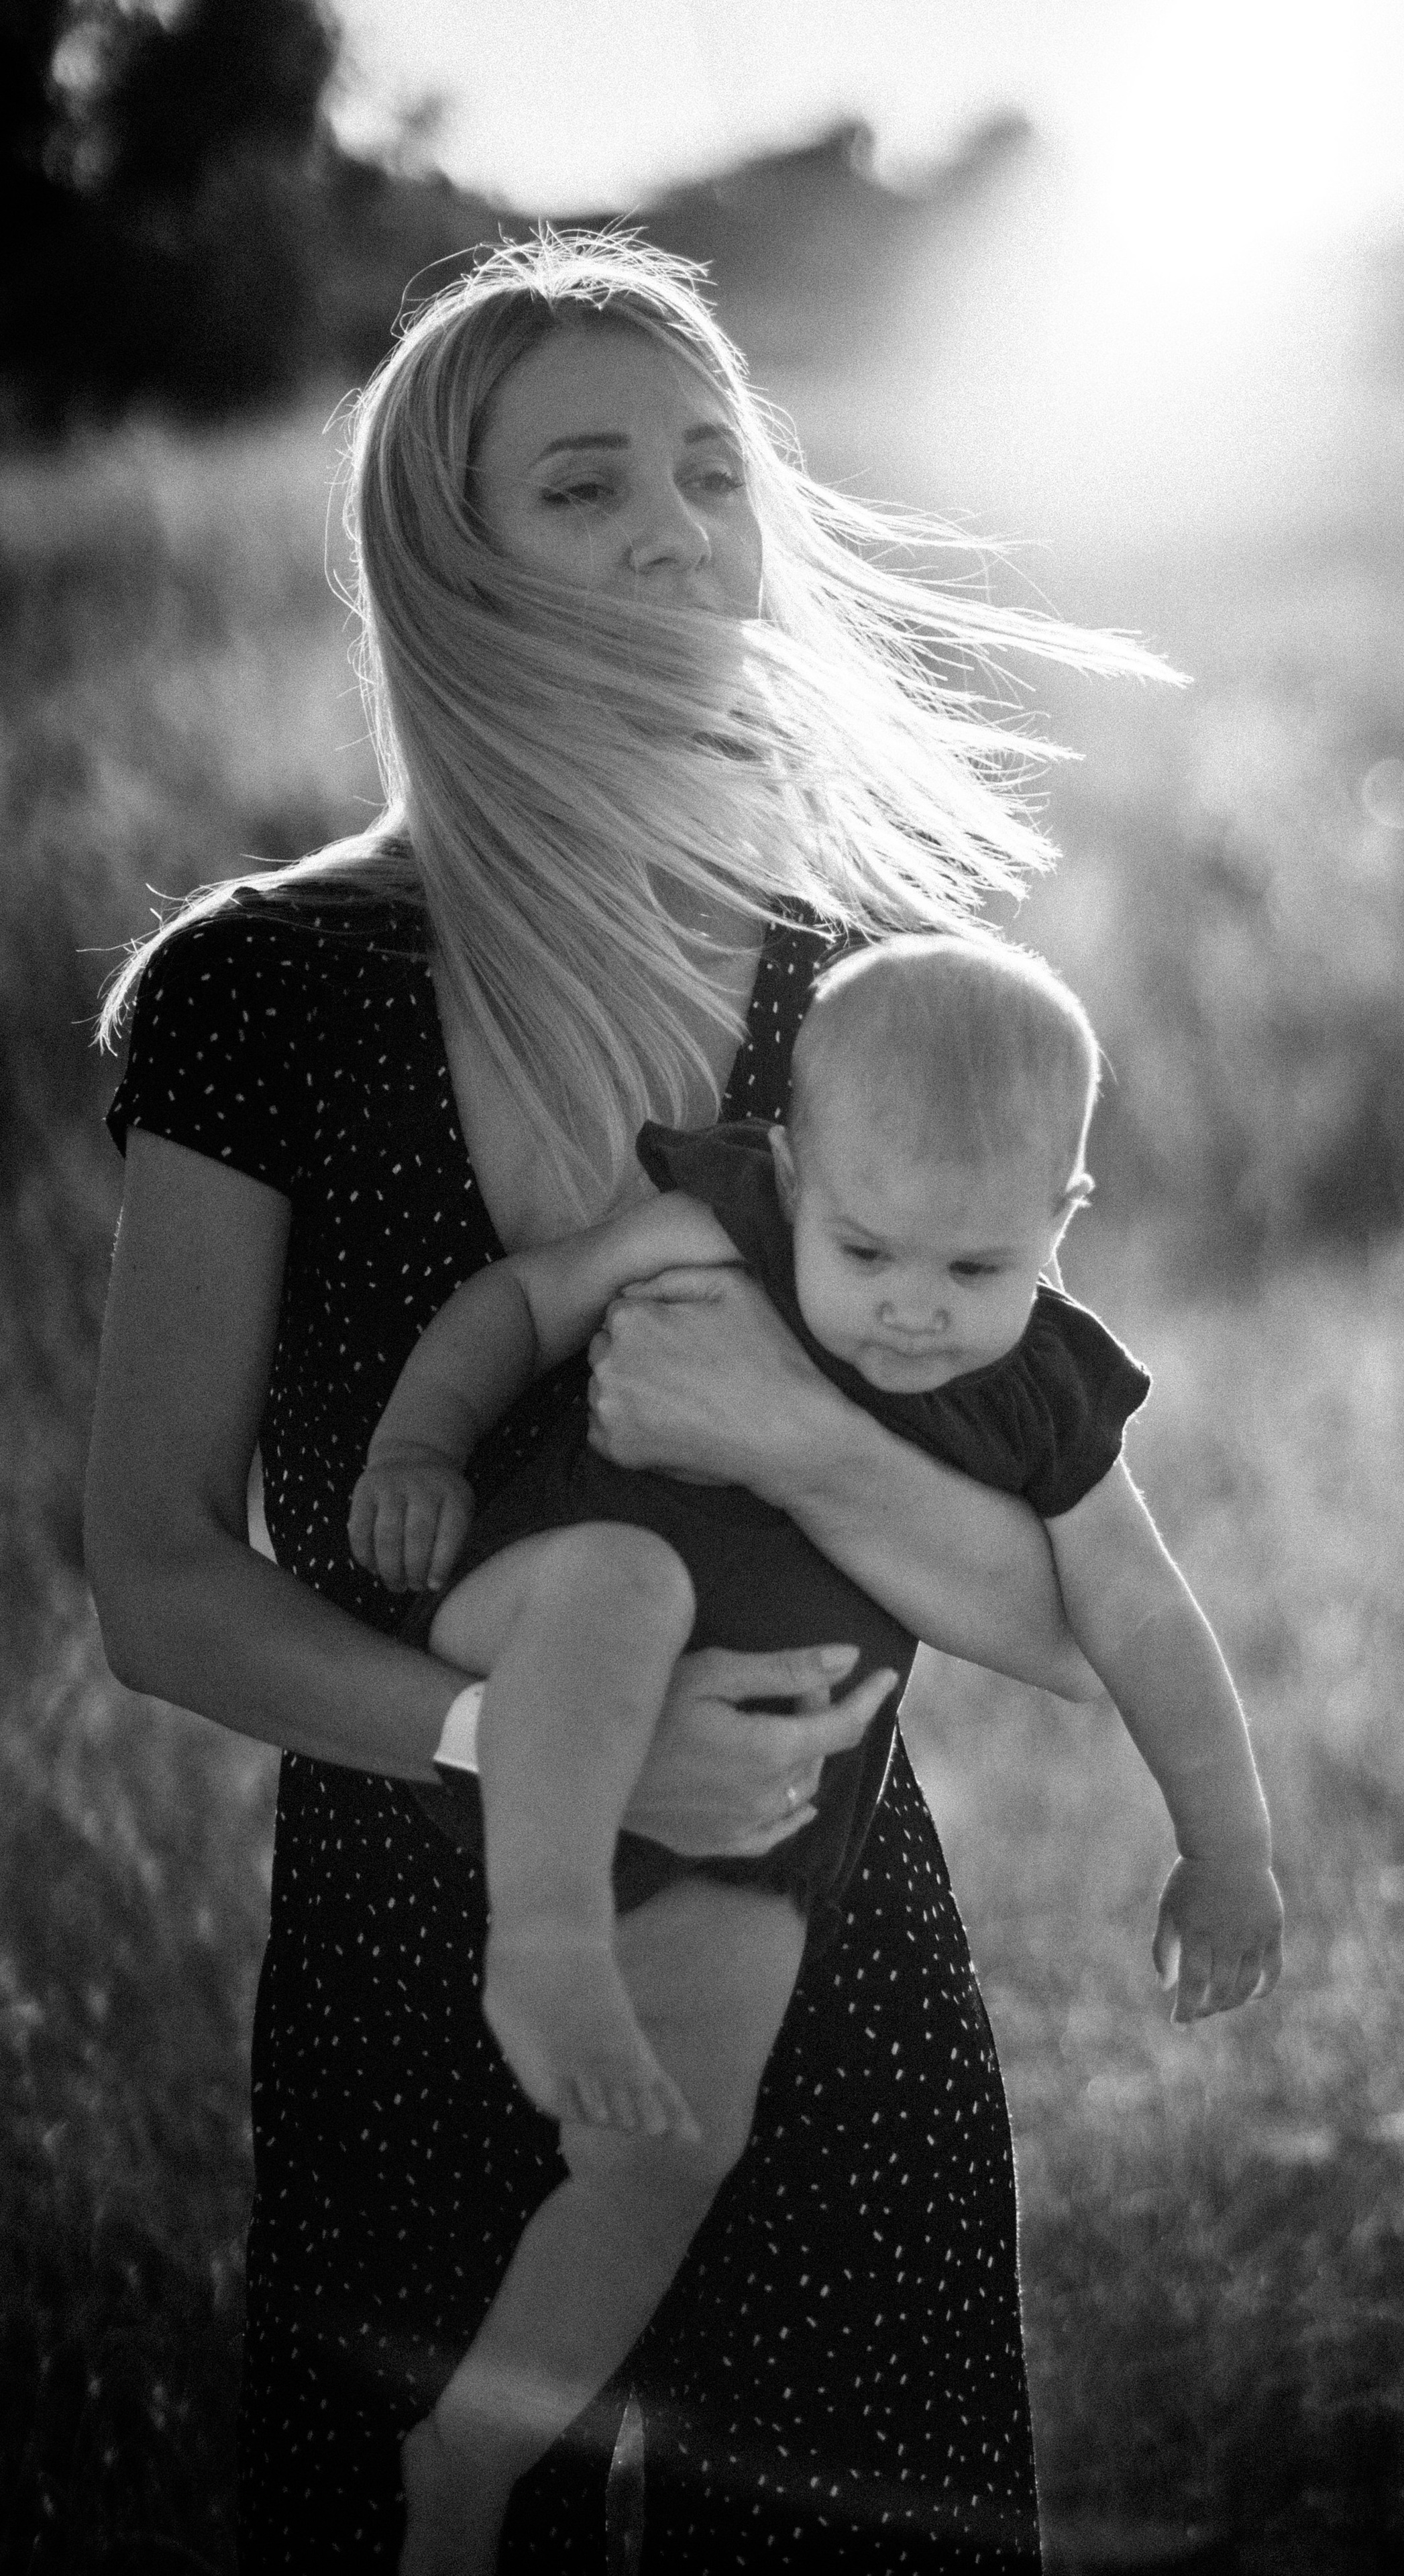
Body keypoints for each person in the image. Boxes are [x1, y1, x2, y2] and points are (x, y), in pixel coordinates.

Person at [83, 229, 1212, 2571]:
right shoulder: (261, 994)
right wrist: (531, 1748)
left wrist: (798, 1440)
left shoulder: (865, 1014)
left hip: (824, 1961)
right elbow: (160, 1588)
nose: (677, 525)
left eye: (711, 469)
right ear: (446, 554)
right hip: (426, 1962)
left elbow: (1042, 1598)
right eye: (585, 484)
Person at [348, 932, 1282, 2573]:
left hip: (757, 1829)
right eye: (867, 1249)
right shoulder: (726, 1218)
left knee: (667, 2154)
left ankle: (468, 2457)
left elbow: (1136, 1620)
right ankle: (545, 1941)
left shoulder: (1042, 1391)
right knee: (632, 1578)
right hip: (541, 1649)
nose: (916, 1307)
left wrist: (1226, 1846)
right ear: (792, 1168)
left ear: (1060, 1228)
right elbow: (521, 1299)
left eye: (975, 1273)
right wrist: (422, 1441)